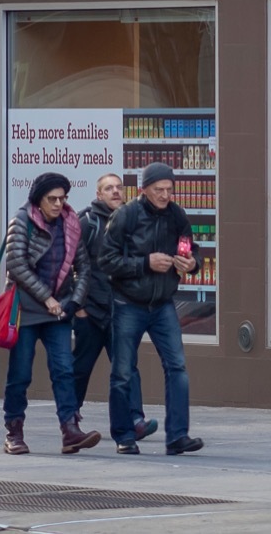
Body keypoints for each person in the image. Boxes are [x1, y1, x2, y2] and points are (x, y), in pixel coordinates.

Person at [102, 162, 204, 456]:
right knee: (122, 371)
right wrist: (144, 263)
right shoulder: (127, 215)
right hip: (128, 303)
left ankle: (177, 436)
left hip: (162, 304)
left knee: (177, 367)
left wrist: (191, 263)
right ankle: (124, 435)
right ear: (143, 190)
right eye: (158, 190)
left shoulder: (177, 215)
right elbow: (106, 260)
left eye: (169, 190)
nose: (164, 195)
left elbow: (191, 248)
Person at [1, 171, 101, 456]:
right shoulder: (22, 220)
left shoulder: (71, 223)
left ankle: (70, 431)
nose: (58, 204)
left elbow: (83, 267)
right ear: (39, 199)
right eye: (52, 199)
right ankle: (14, 432)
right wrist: (47, 299)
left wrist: (74, 301)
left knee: (64, 371)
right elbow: (16, 264)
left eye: (63, 198)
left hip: (58, 310)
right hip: (27, 309)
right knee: (20, 373)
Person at [74, 173, 157, 442]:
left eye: (119, 187)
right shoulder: (86, 222)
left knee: (127, 367)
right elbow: (71, 265)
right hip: (90, 310)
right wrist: (79, 307)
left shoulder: (131, 222)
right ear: (99, 195)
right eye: (108, 188)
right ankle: (70, 416)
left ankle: (135, 420)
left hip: (121, 310)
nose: (115, 192)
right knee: (81, 367)